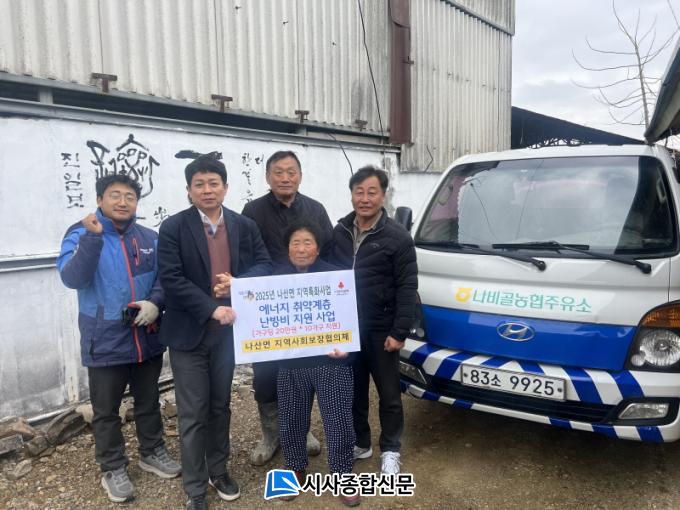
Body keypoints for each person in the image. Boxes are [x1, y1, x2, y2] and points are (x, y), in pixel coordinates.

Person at [57, 174, 181, 504]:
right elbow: (73, 278)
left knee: (148, 400)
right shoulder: (80, 233)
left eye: (129, 196)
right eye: (115, 195)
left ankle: (152, 451)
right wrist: (93, 239)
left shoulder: (149, 237)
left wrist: (155, 302)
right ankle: (112, 466)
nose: (123, 202)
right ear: (100, 200)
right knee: (106, 411)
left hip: (146, 336)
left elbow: (165, 278)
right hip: (105, 339)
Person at [158, 154, 272, 510]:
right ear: (189, 190)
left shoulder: (243, 225)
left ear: (225, 187)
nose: (207, 190)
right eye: (199, 184)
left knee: (220, 406)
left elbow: (264, 265)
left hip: (227, 333)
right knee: (193, 412)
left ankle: (218, 470)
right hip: (188, 333)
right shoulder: (173, 227)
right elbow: (171, 278)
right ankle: (195, 488)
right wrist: (211, 307)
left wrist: (238, 284)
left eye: (213, 183)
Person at [241, 150, 332, 465]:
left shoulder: (315, 210)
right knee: (266, 375)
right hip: (269, 309)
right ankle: (271, 433)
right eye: (278, 172)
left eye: (291, 171)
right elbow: (245, 259)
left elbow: (327, 255)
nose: (285, 178)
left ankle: (301, 429)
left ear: (300, 176)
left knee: (303, 370)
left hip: (305, 310)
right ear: (268, 177)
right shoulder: (252, 212)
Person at [331, 166, 418, 475]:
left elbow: (407, 287)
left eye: (372, 192)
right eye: (359, 192)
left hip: (382, 329)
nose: (365, 199)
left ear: (383, 196)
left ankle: (391, 449)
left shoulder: (398, 237)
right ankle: (361, 441)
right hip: (348, 328)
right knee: (354, 391)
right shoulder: (339, 231)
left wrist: (399, 331)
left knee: (389, 394)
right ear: (351, 195)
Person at [271, 220, 359, 507]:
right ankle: (294, 469)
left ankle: (343, 474)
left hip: (330, 363)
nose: (301, 248)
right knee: (291, 421)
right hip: (291, 363)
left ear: (318, 248)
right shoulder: (274, 282)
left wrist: (347, 349)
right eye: (295, 243)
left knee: (339, 422)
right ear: (287, 249)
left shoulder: (336, 278)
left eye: (307, 242)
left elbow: (352, 318)